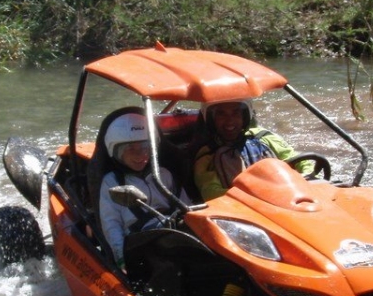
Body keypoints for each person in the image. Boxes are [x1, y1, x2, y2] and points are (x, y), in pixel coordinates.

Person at [97, 112, 186, 267]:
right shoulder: (112, 182)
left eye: (145, 147)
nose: (140, 155)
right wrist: (121, 259)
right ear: (117, 151)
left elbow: (187, 207)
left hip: (174, 234)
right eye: (131, 148)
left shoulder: (163, 174)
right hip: (139, 244)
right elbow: (111, 225)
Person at [193, 99, 310, 200]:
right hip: (245, 209)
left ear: (244, 116)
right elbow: (210, 192)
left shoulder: (264, 137)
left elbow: (300, 161)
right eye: (221, 114)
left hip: (285, 196)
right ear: (212, 119)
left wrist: (307, 176)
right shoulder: (207, 154)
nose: (229, 121)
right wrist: (254, 195)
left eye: (236, 113)